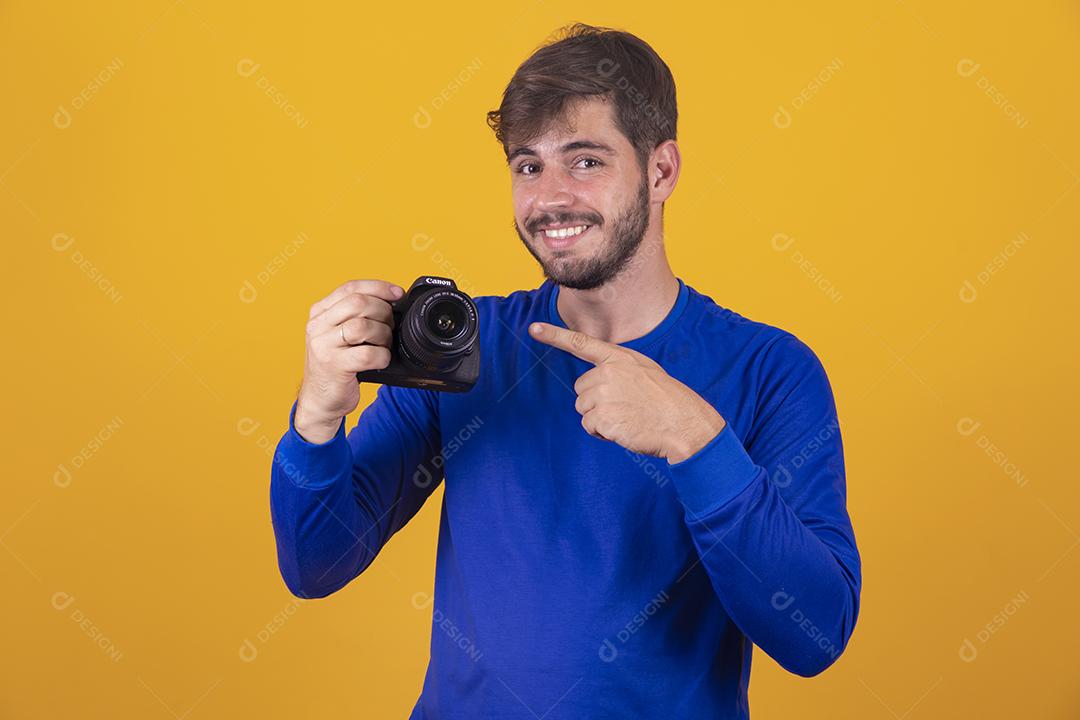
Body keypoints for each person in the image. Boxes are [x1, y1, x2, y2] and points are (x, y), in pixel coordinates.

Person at [270, 22, 861, 719]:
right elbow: (315, 564)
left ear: (661, 170)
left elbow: (814, 635)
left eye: (585, 161)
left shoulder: (771, 369)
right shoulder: (465, 344)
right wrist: (317, 417)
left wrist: (696, 442)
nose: (549, 198)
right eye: (528, 165)